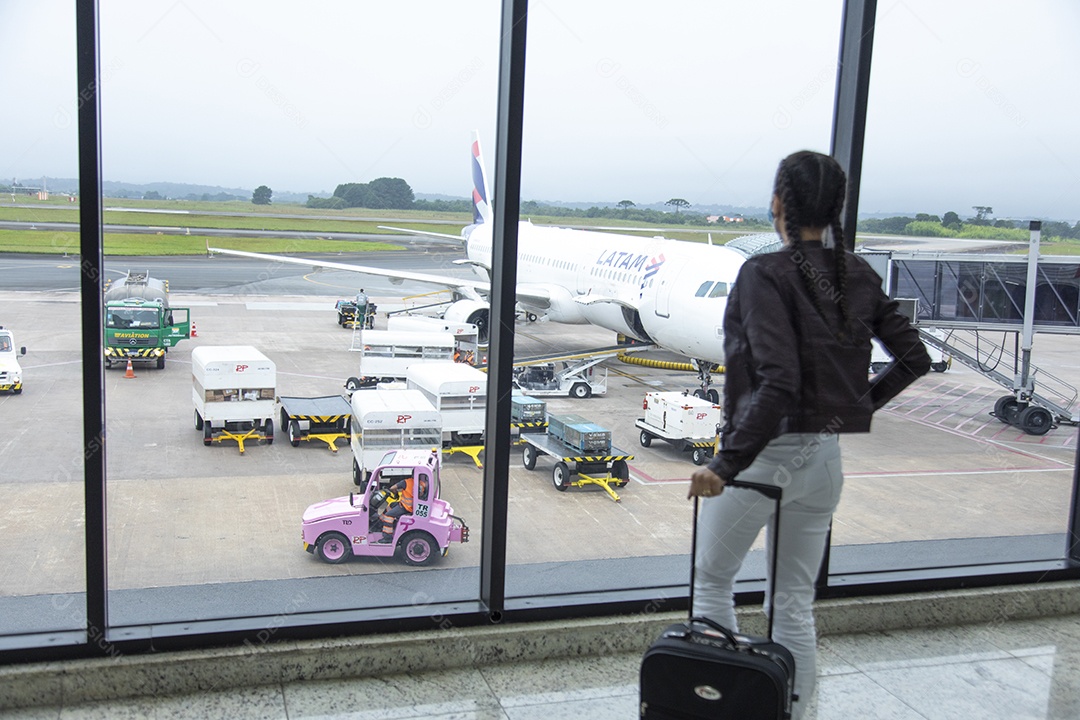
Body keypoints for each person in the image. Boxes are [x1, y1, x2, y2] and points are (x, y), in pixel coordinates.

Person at [687, 150, 931, 719]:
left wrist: (724, 465)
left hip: (763, 459)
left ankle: (719, 707)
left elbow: (778, 381)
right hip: (824, 459)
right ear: (835, 209)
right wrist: (854, 406)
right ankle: (794, 712)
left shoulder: (763, 273)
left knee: (711, 583)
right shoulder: (860, 273)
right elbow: (914, 357)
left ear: (779, 203)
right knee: (793, 604)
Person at [378, 474, 415, 543]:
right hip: (412, 507)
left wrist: (395, 492)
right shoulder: (422, 484)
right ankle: (385, 524)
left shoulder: (406, 482)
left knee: (388, 515)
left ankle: (387, 537)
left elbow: (392, 488)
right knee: (390, 505)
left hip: (405, 507)